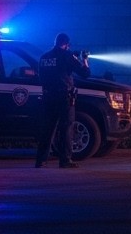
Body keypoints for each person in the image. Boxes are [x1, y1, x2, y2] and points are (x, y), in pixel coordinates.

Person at [35, 32, 90, 168]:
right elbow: (85, 73)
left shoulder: (44, 57)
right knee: (66, 128)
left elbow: (41, 77)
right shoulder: (67, 56)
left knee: (48, 128)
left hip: (48, 96)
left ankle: (40, 160)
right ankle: (65, 160)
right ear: (66, 44)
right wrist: (84, 59)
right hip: (64, 97)